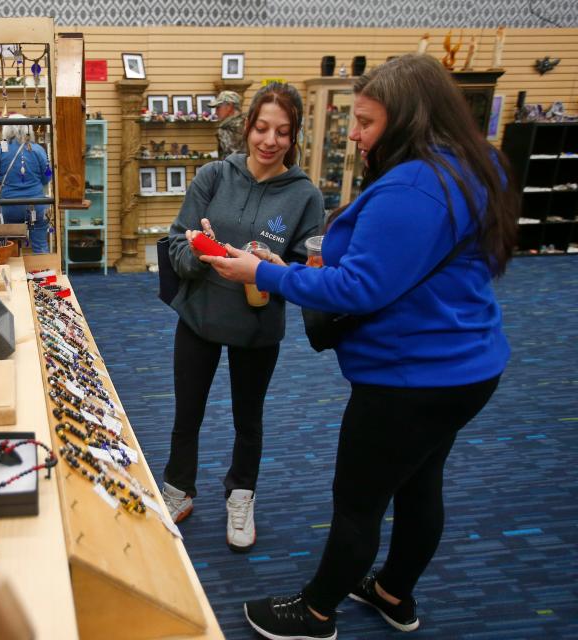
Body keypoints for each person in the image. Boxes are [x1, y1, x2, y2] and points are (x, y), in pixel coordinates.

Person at [201, 54, 516, 639]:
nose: (357, 135)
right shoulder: (471, 165)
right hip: (466, 363)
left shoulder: (416, 185)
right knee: (421, 483)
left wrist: (261, 274)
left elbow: (361, 289)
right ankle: (394, 593)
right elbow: (409, 264)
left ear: (408, 119)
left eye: (367, 122)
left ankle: (316, 612)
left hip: (411, 377)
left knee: (358, 500)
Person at [162, 83, 324, 552]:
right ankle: (178, 488)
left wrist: (270, 268)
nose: (269, 141)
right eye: (261, 128)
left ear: (294, 138)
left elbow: (305, 272)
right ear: (247, 127)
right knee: (186, 413)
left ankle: (241, 493)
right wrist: (202, 253)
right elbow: (177, 243)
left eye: (282, 132)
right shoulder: (214, 176)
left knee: (248, 419)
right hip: (199, 317)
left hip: (258, 326)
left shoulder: (305, 197)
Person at [0, 113, 52, 253]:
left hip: (10, 205)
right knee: (40, 246)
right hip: (36, 205)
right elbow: (48, 176)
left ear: (6, 129)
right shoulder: (38, 150)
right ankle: (44, 273)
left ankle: (13, 274)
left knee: (11, 247)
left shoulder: (0, 149)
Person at [209, 90, 245, 158]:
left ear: (229, 106)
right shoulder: (248, 123)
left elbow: (230, 159)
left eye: (218, 108)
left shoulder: (225, 129)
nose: (216, 113)